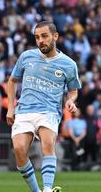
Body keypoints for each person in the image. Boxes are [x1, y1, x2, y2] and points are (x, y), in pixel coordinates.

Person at [6, 21, 81, 192]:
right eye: (37, 37)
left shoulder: (69, 65)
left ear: (55, 36)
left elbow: (73, 91)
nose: (41, 40)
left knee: (48, 144)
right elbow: (12, 81)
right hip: (24, 110)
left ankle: (47, 188)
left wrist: (70, 100)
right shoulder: (26, 56)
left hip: (49, 111)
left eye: (44, 36)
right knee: (19, 149)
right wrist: (11, 107)